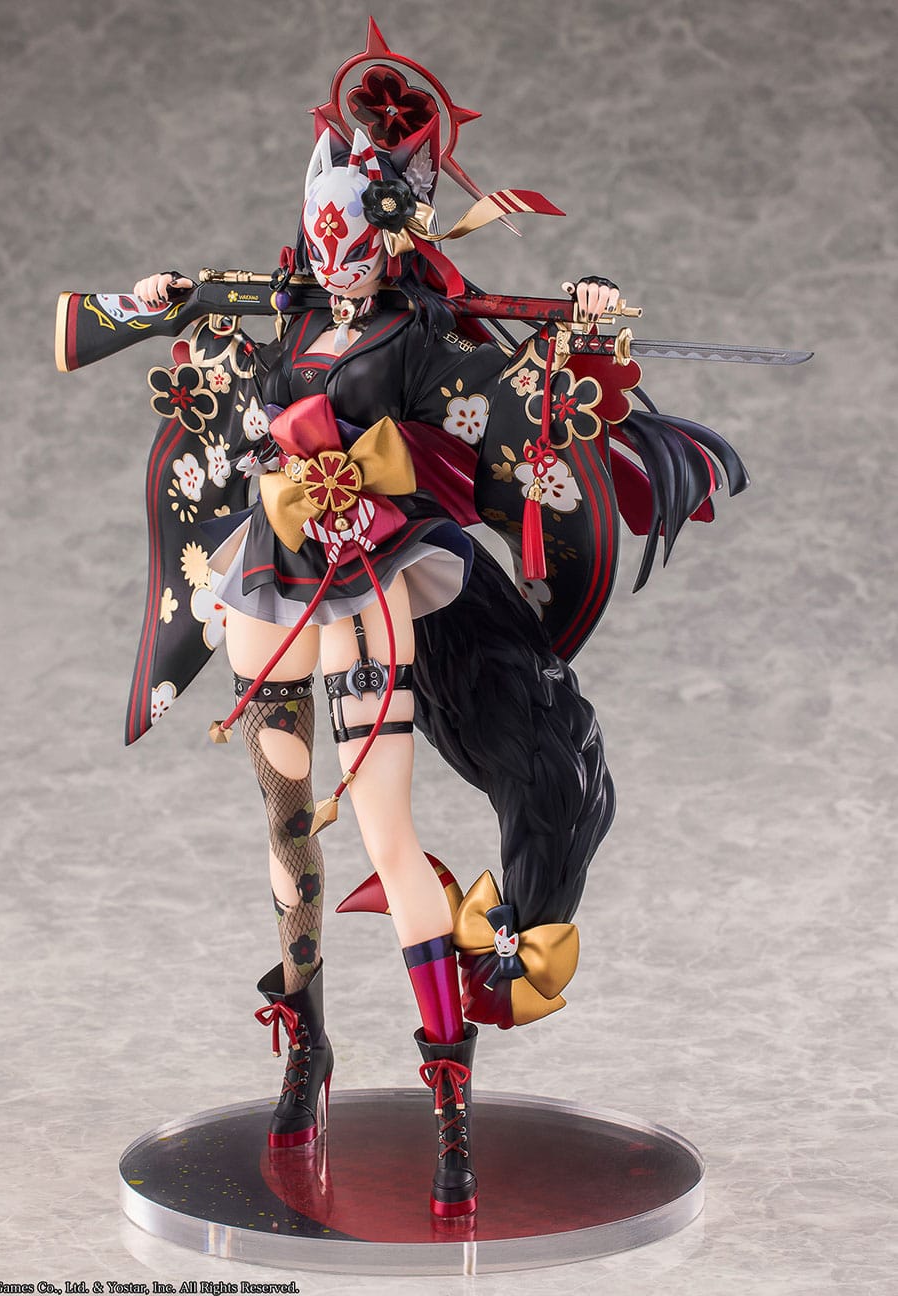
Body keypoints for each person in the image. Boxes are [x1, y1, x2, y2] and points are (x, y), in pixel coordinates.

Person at [122, 26, 747, 1221]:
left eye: (361, 242)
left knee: (387, 833)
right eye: (326, 239)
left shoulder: (417, 342)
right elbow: (233, 384)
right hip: (270, 577)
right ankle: (307, 1042)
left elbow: (515, 408)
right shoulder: (289, 319)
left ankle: (450, 1097)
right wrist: (165, 303)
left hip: (368, 578)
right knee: (288, 832)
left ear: (396, 237)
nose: (340, 261)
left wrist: (584, 325)